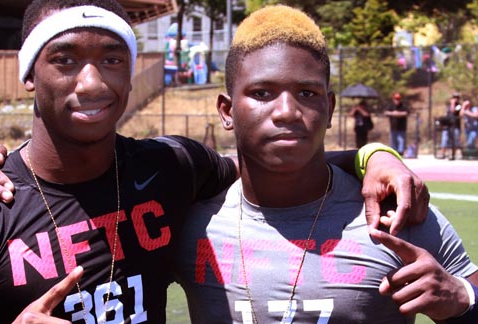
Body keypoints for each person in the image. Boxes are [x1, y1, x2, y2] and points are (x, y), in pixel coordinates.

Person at [0, 0, 429, 323]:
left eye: (112, 59)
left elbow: (273, 159)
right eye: (64, 60)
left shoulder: (171, 166)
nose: (92, 82)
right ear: (29, 75)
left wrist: (373, 155)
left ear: (131, 75)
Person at [173, 5, 478, 324]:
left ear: (330, 108)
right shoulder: (189, 220)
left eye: (307, 92)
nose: (287, 111)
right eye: (262, 93)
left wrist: (462, 300)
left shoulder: (397, 212)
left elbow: (468, 297)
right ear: (227, 111)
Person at [440, 93, 462, 159]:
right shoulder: (448, 106)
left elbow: (453, 111)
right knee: (444, 139)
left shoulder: (459, 106)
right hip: (448, 125)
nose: (455, 99)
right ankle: (443, 153)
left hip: (455, 125)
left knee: (455, 140)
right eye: (454, 97)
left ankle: (453, 154)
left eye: (456, 98)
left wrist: (453, 104)